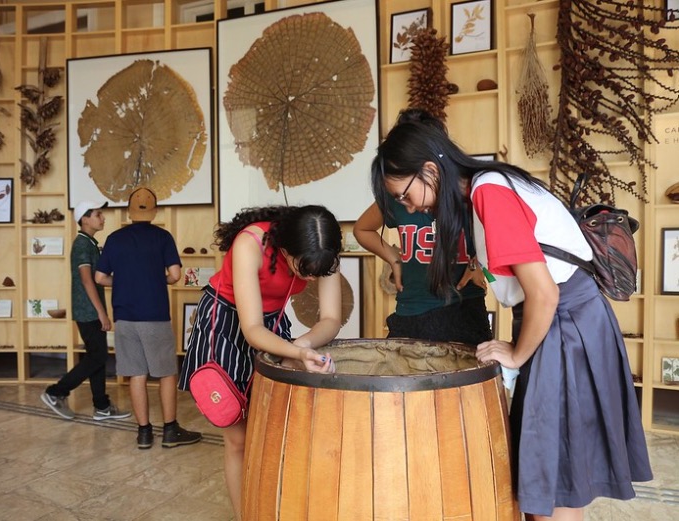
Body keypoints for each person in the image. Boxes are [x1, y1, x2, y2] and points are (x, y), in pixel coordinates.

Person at [369, 109, 652, 521]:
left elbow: (545, 293)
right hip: (564, 321)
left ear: (430, 172)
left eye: (404, 194)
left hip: (564, 323)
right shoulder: (485, 188)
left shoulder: (489, 193)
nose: (406, 206)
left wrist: (517, 355)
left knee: (551, 486)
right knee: (549, 480)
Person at [178, 205, 341, 520]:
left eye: (316, 272)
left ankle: (272, 504)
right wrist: (296, 354)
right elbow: (251, 330)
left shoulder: (324, 255)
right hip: (226, 317)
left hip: (270, 319)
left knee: (275, 423)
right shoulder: (250, 243)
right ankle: (245, 515)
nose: (309, 277)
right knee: (237, 436)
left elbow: (332, 318)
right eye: (303, 269)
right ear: (283, 249)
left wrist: (302, 346)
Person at [354, 111, 490, 344]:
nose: (408, 205)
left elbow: (500, 240)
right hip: (411, 310)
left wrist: (481, 265)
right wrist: (393, 258)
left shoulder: (471, 192)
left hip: (464, 308)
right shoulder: (398, 196)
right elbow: (362, 229)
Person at [95, 187, 201, 450]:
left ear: (129, 211)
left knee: (136, 373)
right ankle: (169, 430)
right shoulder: (163, 237)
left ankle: (143, 433)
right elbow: (175, 275)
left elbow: (99, 278)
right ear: (154, 211)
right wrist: (156, 280)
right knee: (166, 373)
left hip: (125, 318)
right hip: (155, 316)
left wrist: (122, 283)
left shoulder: (115, 238)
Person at [41, 201, 131, 422]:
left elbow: (99, 280)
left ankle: (101, 406)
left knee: (96, 356)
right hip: (88, 311)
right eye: (99, 214)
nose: (103, 218)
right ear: (85, 219)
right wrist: (102, 313)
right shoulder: (82, 245)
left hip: (90, 310)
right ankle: (56, 392)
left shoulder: (89, 243)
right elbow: (87, 280)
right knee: (98, 356)